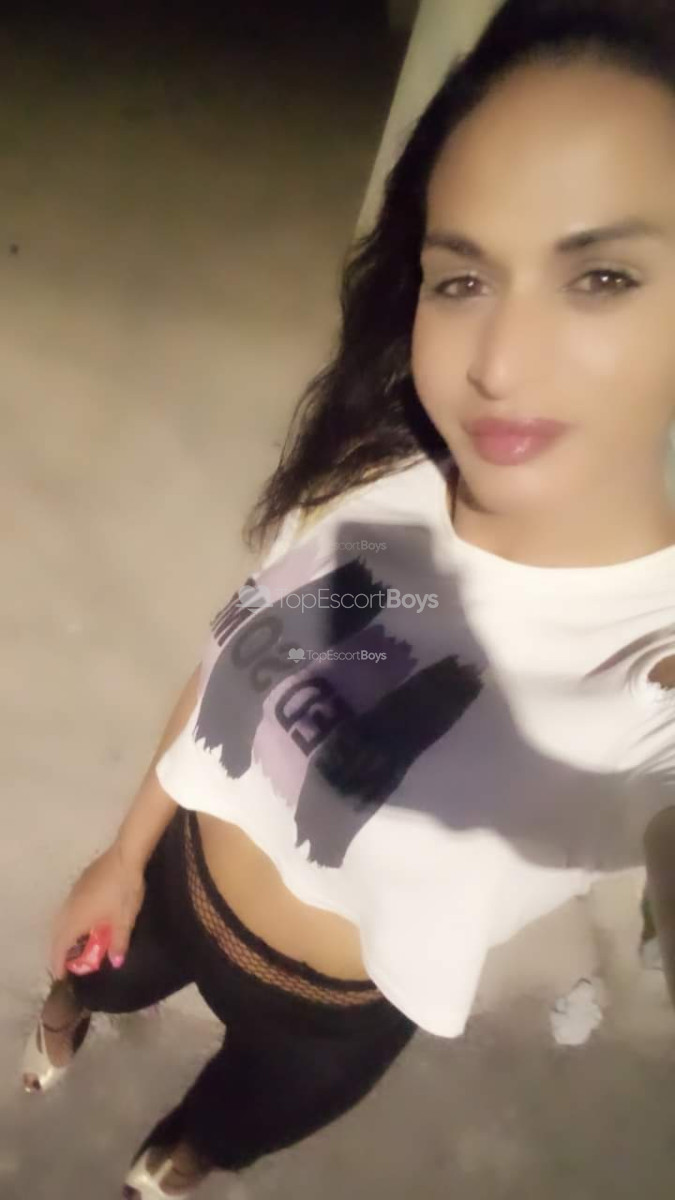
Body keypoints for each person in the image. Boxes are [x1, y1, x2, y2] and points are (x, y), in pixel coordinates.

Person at [21, 0, 675, 1196]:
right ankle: (60, 1031)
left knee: (220, 1134)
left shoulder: (652, 666)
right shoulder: (377, 480)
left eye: (602, 276)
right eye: (462, 277)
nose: (497, 364)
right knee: (79, 981)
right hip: (172, 888)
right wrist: (122, 854)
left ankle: (169, 1168)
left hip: (326, 1017)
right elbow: (229, 663)